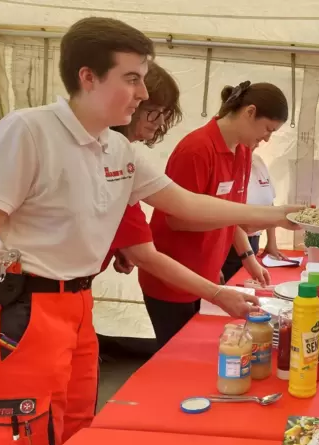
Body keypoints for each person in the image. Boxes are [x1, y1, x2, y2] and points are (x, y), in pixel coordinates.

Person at [0, 17, 299, 445]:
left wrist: (279, 214)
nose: (142, 93)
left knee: (77, 430)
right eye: (132, 78)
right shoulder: (27, 132)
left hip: (76, 307)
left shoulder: (117, 147)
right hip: (17, 312)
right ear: (88, 77)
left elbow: (186, 203)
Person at [139, 81, 289, 348]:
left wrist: (248, 258)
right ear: (249, 112)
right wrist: (271, 216)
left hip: (206, 277)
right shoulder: (196, 149)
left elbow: (230, 215)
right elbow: (178, 219)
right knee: (177, 358)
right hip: (173, 280)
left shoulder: (242, 151)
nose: (267, 138)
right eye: (267, 129)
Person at [106, 61, 258, 319]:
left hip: (193, 275)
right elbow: (182, 212)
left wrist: (120, 245)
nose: (160, 122)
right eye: (152, 110)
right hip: (171, 280)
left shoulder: (122, 153)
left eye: (164, 112)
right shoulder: (196, 149)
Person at [221, 150, 287, 283]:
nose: (266, 137)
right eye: (266, 129)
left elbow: (269, 204)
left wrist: (271, 243)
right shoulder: (228, 164)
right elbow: (225, 213)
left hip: (252, 243)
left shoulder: (258, 160)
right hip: (228, 246)